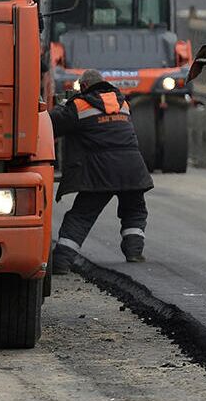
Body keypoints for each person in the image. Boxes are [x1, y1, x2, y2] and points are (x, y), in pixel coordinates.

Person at [49, 69, 155, 271]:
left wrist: (63, 106)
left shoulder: (78, 106)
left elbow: (51, 124)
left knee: (82, 215)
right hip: (132, 168)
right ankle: (134, 252)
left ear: (84, 87)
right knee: (134, 209)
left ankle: (61, 261)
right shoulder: (122, 103)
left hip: (100, 172)